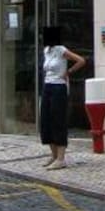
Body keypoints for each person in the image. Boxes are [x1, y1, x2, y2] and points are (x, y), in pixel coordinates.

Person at [40, 25, 85, 170]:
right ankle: (53, 155)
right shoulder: (46, 51)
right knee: (45, 120)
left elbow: (81, 60)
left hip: (59, 87)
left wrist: (68, 72)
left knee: (57, 120)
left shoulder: (61, 50)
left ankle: (61, 158)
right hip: (47, 86)